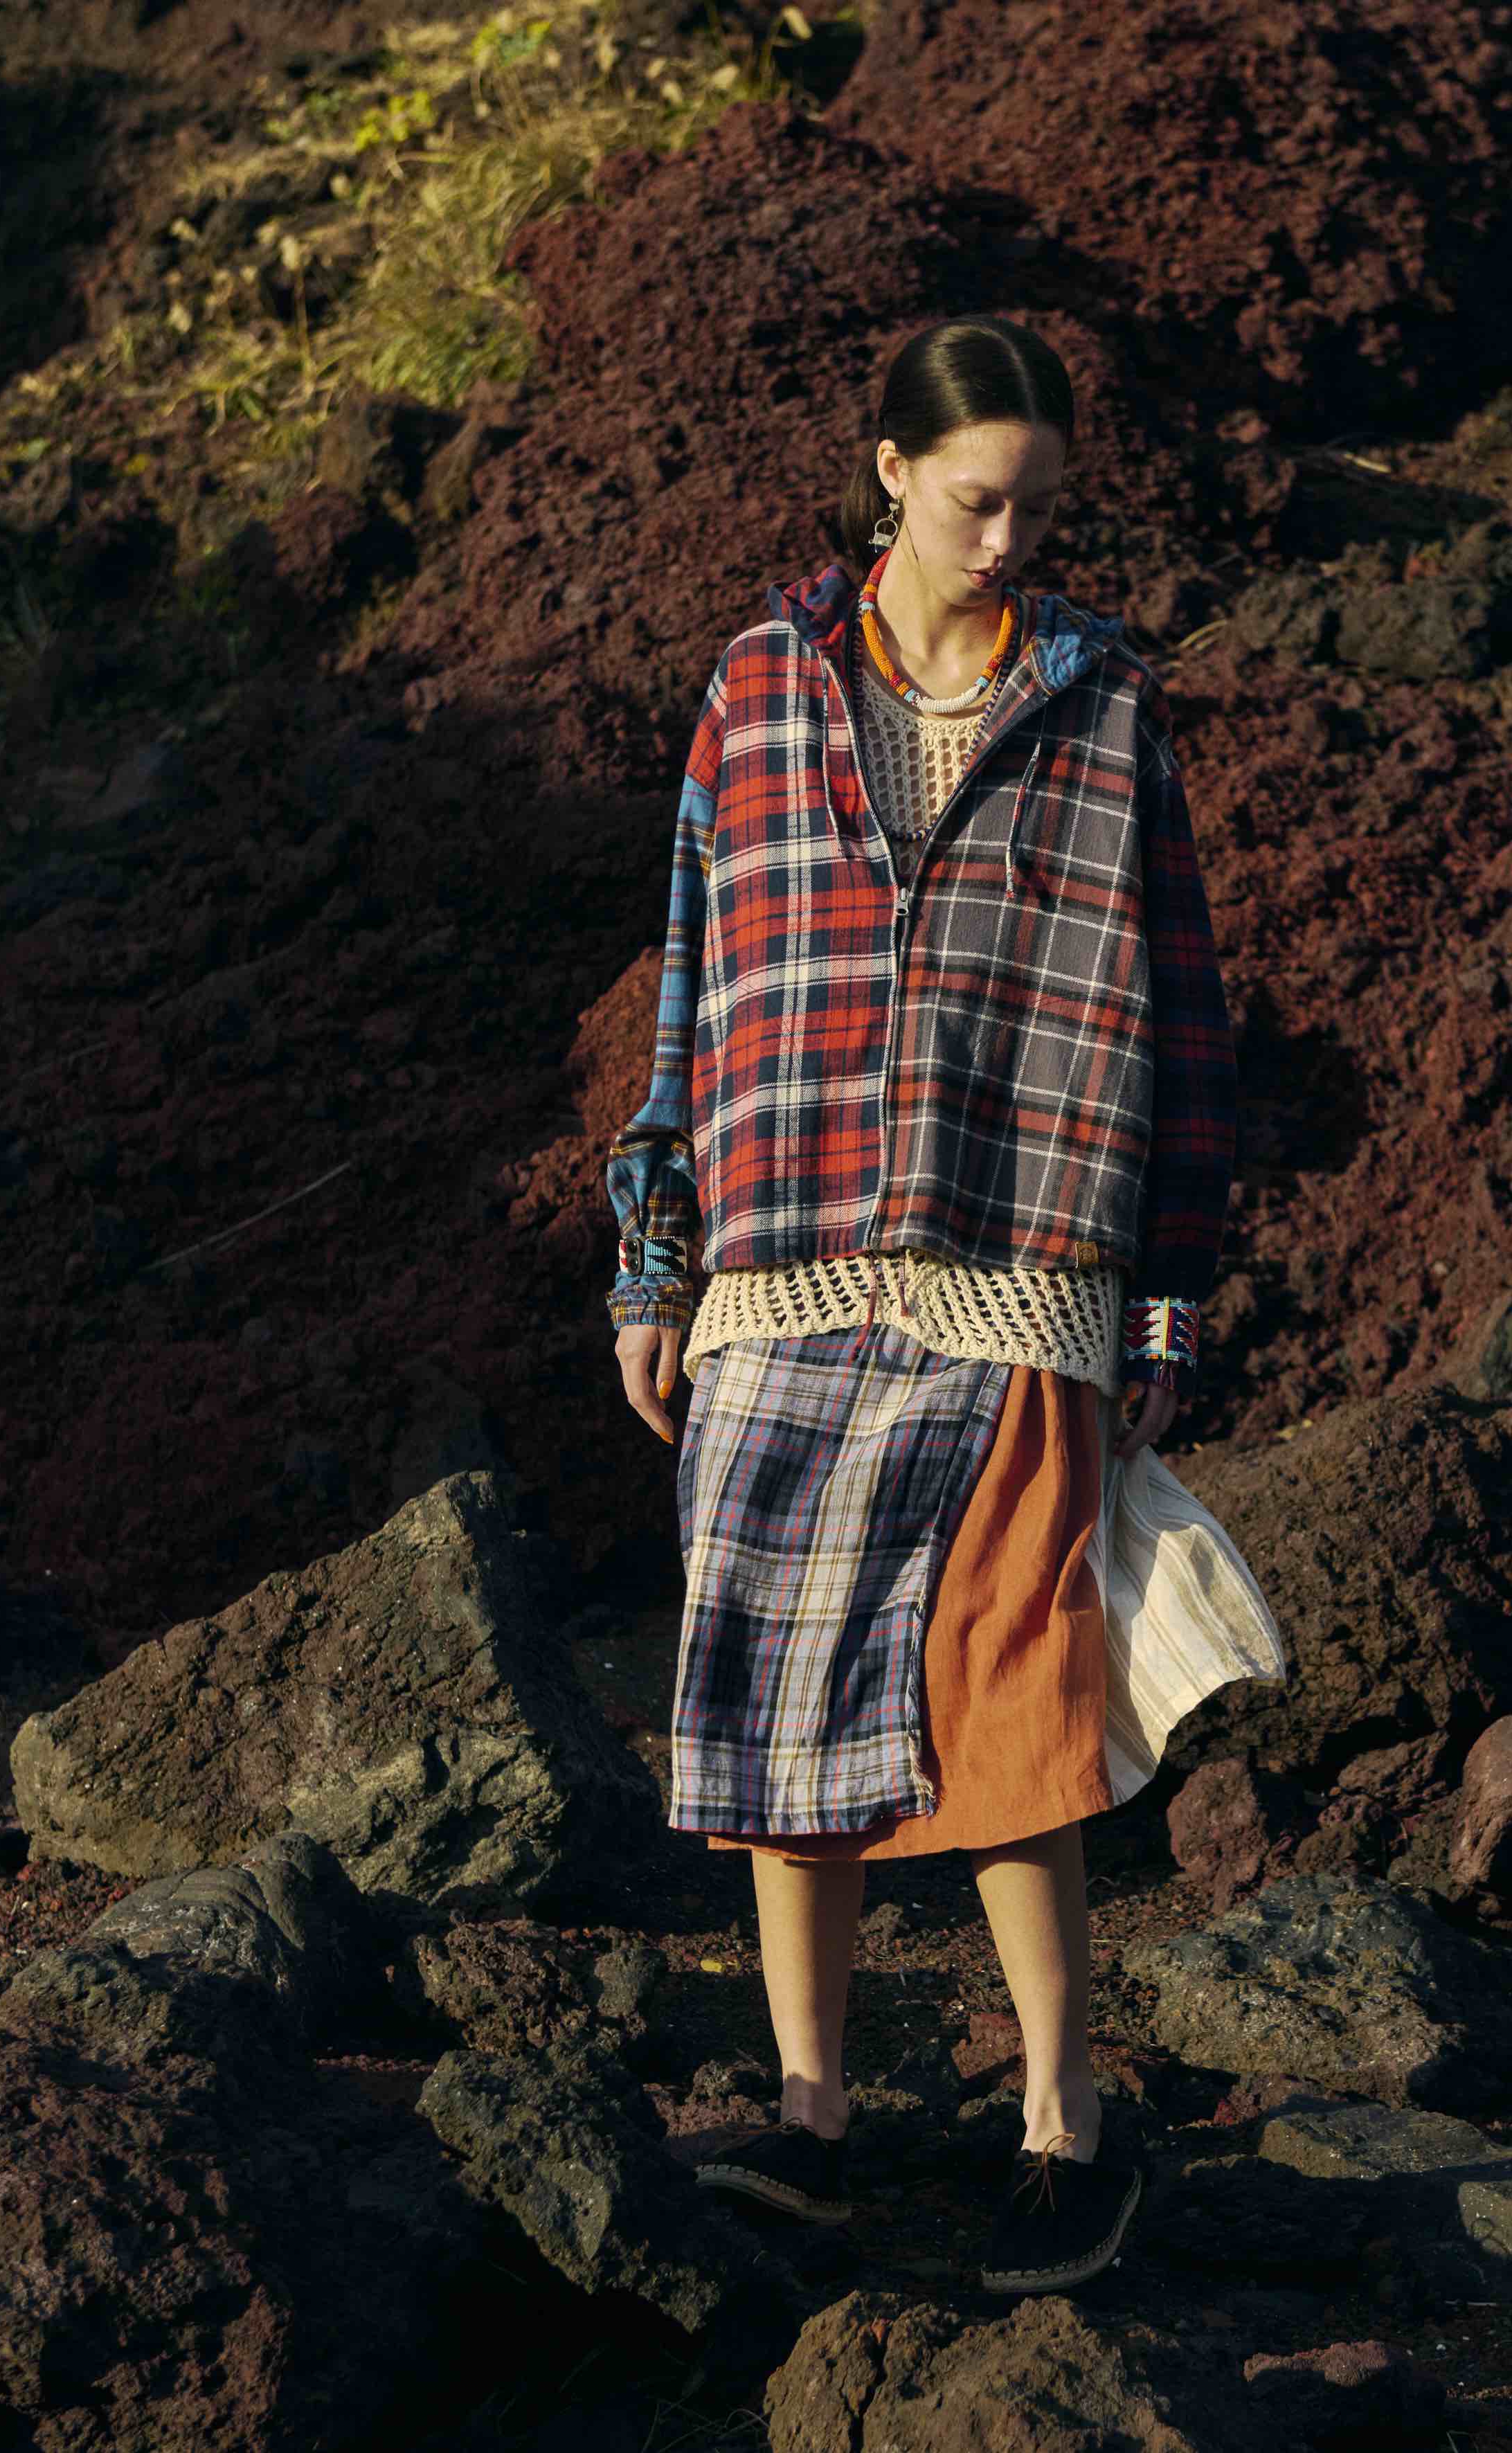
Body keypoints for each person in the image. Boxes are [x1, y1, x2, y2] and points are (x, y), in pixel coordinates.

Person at [606, 315, 1281, 2295]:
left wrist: (1164, 1310)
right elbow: (691, 989)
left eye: (1038, 511)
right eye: (978, 499)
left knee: (1009, 1710)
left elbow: (1182, 1022)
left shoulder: (1105, 707)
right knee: (770, 1708)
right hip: (779, 1262)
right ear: (890, 471)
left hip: (1021, 1272)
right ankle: (812, 2117)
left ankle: (1063, 2127)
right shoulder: (755, 689)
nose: (1006, 541)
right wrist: (653, 1260)